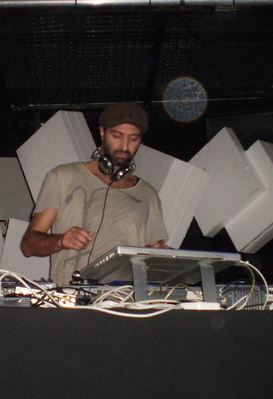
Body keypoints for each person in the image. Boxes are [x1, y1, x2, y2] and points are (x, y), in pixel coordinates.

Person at [20, 102, 169, 285]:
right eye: (117, 136)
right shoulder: (62, 176)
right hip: (74, 296)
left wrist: (160, 253)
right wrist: (61, 240)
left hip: (126, 299)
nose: (124, 146)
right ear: (102, 132)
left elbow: (154, 250)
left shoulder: (147, 193)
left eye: (133, 139)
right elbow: (28, 245)